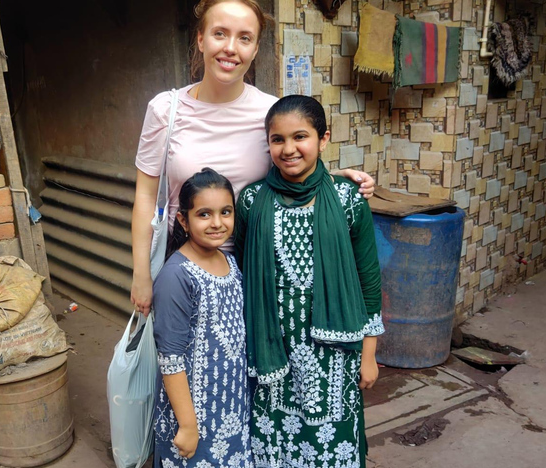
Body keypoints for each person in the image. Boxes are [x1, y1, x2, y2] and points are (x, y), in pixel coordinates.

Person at [131, 0, 376, 317]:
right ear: (201, 39)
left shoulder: (270, 113)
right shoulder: (166, 109)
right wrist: (141, 275)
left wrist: (339, 177)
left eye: (244, 38)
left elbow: (292, 170)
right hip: (183, 268)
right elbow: (145, 195)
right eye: (220, 33)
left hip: (257, 268)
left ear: (256, 48)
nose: (231, 48)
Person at [234, 95, 383, 468]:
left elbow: (369, 282)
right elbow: (246, 274)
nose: (289, 148)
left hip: (334, 359)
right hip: (272, 355)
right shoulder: (251, 201)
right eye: (277, 139)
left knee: (332, 446)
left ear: (323, 138)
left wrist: (368, 355)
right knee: (277, 451)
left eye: (301, 136)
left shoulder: (348, 198)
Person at [152, 169, 254, 468]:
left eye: (225, 212)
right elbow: (170, 359)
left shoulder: (231, 262)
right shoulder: (176, 276)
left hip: (230, 414)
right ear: (183, 220)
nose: (217, 223)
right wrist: (187, 424)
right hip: (194, 416)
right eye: (204, 214)